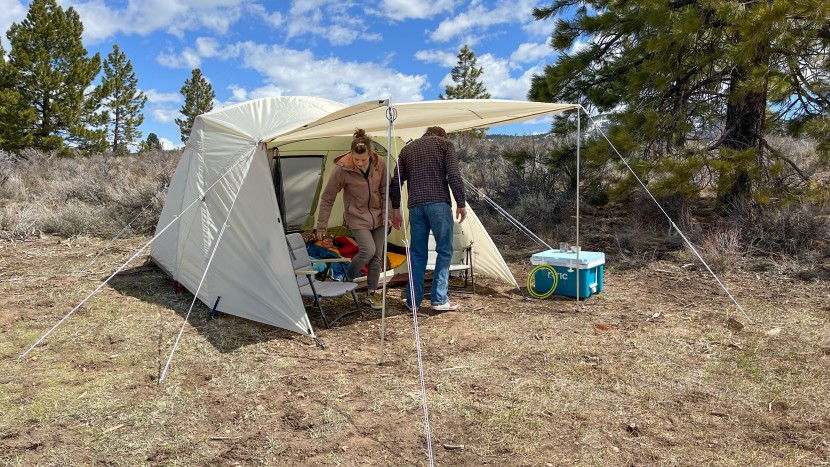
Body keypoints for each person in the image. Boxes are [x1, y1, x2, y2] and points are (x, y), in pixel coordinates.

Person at [389, 126, 466, 312]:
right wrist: (461, 203)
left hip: (415, 207)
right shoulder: (445, 145)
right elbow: (454, 176)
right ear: (442, 135)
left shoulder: (407, 150)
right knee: (445, 251)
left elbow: (396, 181)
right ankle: (439, 299)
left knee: (417, 253)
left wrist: (396, 209)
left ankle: (412, 301)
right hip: (439, 203)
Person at [317, 129, 387, 310]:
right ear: (351, 155)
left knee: (377, 256)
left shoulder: (380, 163)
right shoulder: (343, 168)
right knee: (368, 250)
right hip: (356, 217)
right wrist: (322, 224)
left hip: (379, 217)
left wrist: (387, 215)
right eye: (356, 159)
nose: (360, 163)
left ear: (371, 155)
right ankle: (347, 280)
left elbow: (385, 190)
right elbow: (328, 197)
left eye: (363, 160)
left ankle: (371, 294)